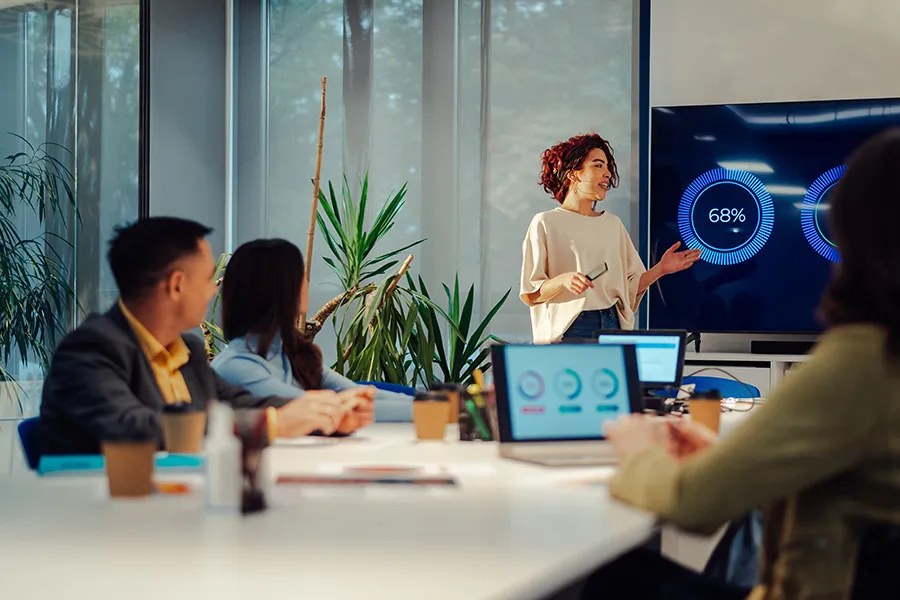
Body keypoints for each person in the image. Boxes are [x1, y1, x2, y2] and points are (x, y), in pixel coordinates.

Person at [585, 129, 900, 599]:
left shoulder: (861, 362)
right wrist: (719, 460)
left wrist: (638, 451)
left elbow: (692, 505)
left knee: (619, 576)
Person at [39, 218, 367, 456]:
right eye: (209, 278)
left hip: (181, 509)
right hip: (102, 529)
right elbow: (135, 427)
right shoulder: (90, 351)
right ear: (177, 284)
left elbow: (240, 402)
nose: (214, 290)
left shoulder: (189, 351)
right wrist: (271, 424)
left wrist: (325, 410)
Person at [520, 133, 700, 343]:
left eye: (607, 167)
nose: (607, 174)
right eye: (598, 165)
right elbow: (531, 294)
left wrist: (661, 269)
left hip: (613, 323)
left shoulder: (613, 224)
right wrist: (563, 280)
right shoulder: (545, 223)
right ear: (573, 174)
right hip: (573, 328)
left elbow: (630, 289)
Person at [211, 238, 413, 423]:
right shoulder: (235, 367)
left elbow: (356, 393)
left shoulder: (289, 352)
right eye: (301, 276)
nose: (306, 284)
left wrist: (430, 402)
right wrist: (432, 410)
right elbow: (322, 410)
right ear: (279, 289)